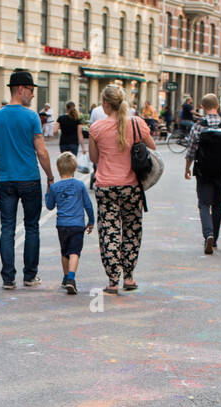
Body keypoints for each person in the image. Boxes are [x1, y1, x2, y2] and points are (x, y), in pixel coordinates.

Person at [0, 69, 56, 290]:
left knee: (7, 228)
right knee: (32, 227)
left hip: (6, 181)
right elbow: (41, 151)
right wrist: (51, 177)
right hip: (30, 180)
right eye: (31, 91)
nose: (33, 95)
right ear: (21, 89)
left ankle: (8, 279)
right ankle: (30, 276)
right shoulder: (31, 117)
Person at [87, 83, 154, 294]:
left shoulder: (96, 128)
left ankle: (113, 280)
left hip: (106, 187)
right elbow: (151, 148)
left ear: (105, 104)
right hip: (132, 187)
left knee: (109, 232)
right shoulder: (137, 124)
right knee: (132, 231)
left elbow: (93, 158)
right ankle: (130, 277)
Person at [184, 93, 221, 256]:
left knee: (203, 204)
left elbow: (191, 151)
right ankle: (214, 238)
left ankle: (207, 234)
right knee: (217, 205)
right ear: (217, 106)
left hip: (203, 171)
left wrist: (187, 168)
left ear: (202, 106)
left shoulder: (198, 126)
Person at [45, 151, 95, 294]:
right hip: (77, 224)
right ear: (74, 168)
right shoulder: (79, 185)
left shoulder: (55, 187)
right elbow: (88, 205)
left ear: (58, 168)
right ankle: (71, 279)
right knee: (74, 252)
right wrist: (91, 221)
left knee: (65, 252)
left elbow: (49, 206)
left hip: (62, 225)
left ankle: (66, 276)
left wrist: (48, 192)